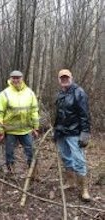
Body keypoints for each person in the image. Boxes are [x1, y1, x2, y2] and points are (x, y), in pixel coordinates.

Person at [54, 69, 91, 201]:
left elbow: (84, 114)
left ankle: (84, 190)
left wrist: (85, 132)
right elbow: (58, 115)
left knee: (79, 160)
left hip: (75, 133)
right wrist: (56, 131)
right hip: (61, 132)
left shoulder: (79, 92)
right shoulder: (59, 94)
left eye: (66, 77)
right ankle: (70, 182)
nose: (64, 80)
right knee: (66, 157)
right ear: (59, 80)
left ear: (71, 78)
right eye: (62, 78)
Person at [0, 70, 39, 175]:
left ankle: (33, 172)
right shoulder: (4, 93)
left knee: (31, 152)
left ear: (22, 78)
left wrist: (36, 127)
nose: (16, 80)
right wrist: (0, 131)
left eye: (18, 78)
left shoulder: (29, 92)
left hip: (26, 130)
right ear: (10, 79)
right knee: (9, 153)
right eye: (13, 78)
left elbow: (34, 111)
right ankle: (11, 172)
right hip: (10, 130)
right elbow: (0, 114)